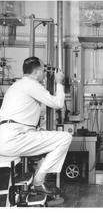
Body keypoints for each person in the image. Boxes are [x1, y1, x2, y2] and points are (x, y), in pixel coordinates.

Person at [0, 56, 72, 194]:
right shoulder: (31, 85)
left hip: (4, 138)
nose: (45, 73)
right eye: (44, 70)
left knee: (42, 135)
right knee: (65, 138)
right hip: (14, 140)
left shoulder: (16, 86)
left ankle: (40, 166)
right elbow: (58, 103)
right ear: (37, 71)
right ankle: (39, 180)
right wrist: (59, 82)